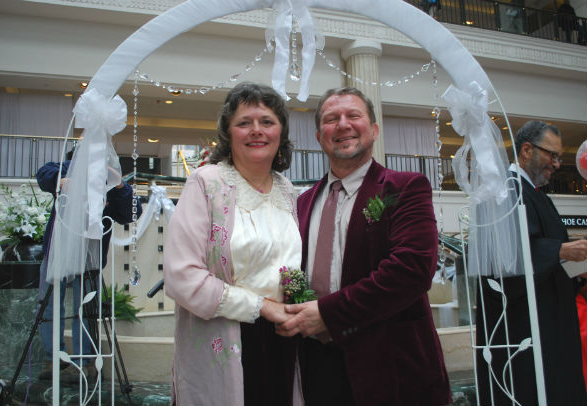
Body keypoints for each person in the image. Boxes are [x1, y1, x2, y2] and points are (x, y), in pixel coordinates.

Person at [277, 87, 451, 405]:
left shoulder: (403, 188)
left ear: (374, 130)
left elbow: (411, 270)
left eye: (353, 115)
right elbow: (292, 268)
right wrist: (301, 310)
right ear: (319, 136)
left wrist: (327, 314)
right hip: (317, 366)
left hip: (390, 368)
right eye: (332, 119)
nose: (343, 124)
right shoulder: (302, 202)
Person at [163, 82, 300, 406]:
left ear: (281, 132)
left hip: (284, 340)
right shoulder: (206, 183)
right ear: (228, 132)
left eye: (267, 121)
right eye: (244, 122)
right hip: (227, 339)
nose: (256, 130)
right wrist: (262, 307)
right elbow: (181, 276)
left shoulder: (287, 190)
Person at [476, 121, 587, 405]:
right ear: (526, 150)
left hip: (551, 317)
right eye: (552, 155)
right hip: (524, 326)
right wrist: (560, 250)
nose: (557, 164)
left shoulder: (536, 194)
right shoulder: (505, 192)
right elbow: (505, 258)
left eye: (559, 157)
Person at [36, 149, 138, 383]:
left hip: (90, 258)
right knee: (48, 307)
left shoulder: (109, 181)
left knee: (86, 310)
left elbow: (131, 213)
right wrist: (61, 181)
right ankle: (53, 359)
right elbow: (44, 174)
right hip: (58, 251)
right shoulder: (69, 168)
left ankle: (84, 362)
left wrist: (120, 186)